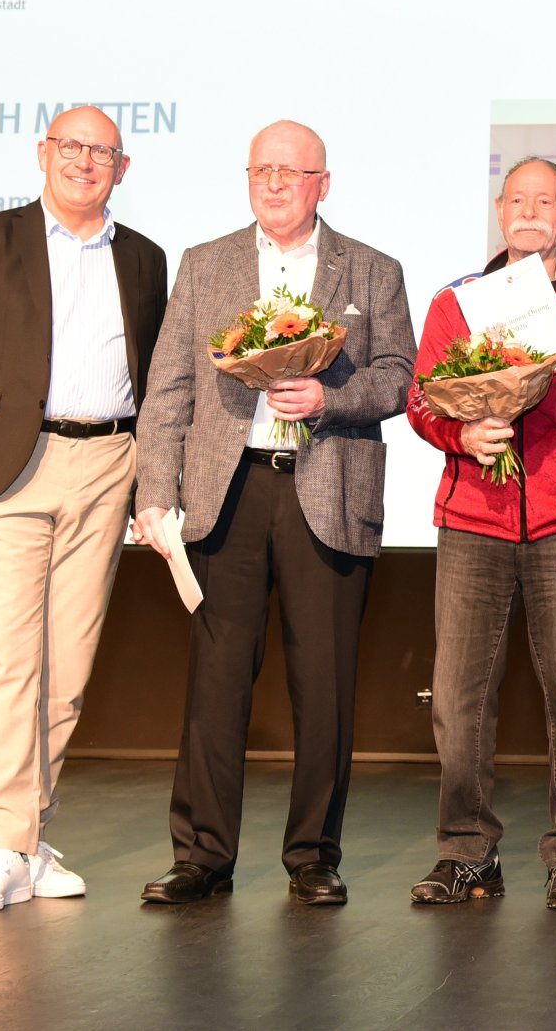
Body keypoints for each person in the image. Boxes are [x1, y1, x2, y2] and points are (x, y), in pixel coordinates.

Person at [130, 120, 414, 906]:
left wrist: (332, 395)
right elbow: (169, 390)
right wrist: (155, 489)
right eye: (263, 169)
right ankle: (202, 855)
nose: (276, 182)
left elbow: (398, 379)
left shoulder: (373, 270)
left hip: (328, 489)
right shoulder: (205, 263)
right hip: (228, 494)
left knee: (323, 685)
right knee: (216, 682)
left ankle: (314, 855)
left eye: (294, 171)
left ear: (325, 183)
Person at [0, 106, 166, 914]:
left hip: (107, 465)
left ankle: (29, 836)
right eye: (72, 146)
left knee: (67, 671)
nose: (86, 161)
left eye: (103, 151)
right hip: (4, 470)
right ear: (42, 153)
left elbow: (161, 384)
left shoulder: (146, 258)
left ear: (121, 169)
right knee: (9, 663)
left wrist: (154, 483)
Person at [404, 157, 556, 911]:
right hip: (473, 519)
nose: (531, 211)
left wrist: (527, 378)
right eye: (518, 200)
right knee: (458, 698)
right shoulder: (456, 301)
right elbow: (421, 402)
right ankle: (467, 851)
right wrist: (462, 432)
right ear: (500, 211)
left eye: (547, 201)